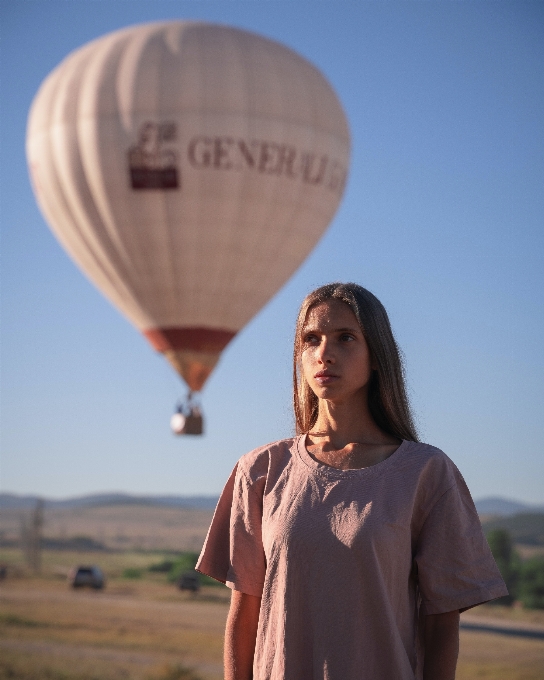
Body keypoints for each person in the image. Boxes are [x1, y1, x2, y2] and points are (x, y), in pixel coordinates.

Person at [196, 282, 507, 680]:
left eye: (345, 338)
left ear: (376, 355)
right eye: (312, 340)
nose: (324, 354)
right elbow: (244, 613)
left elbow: (442, 624)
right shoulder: (260, 469)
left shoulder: (426, 472)